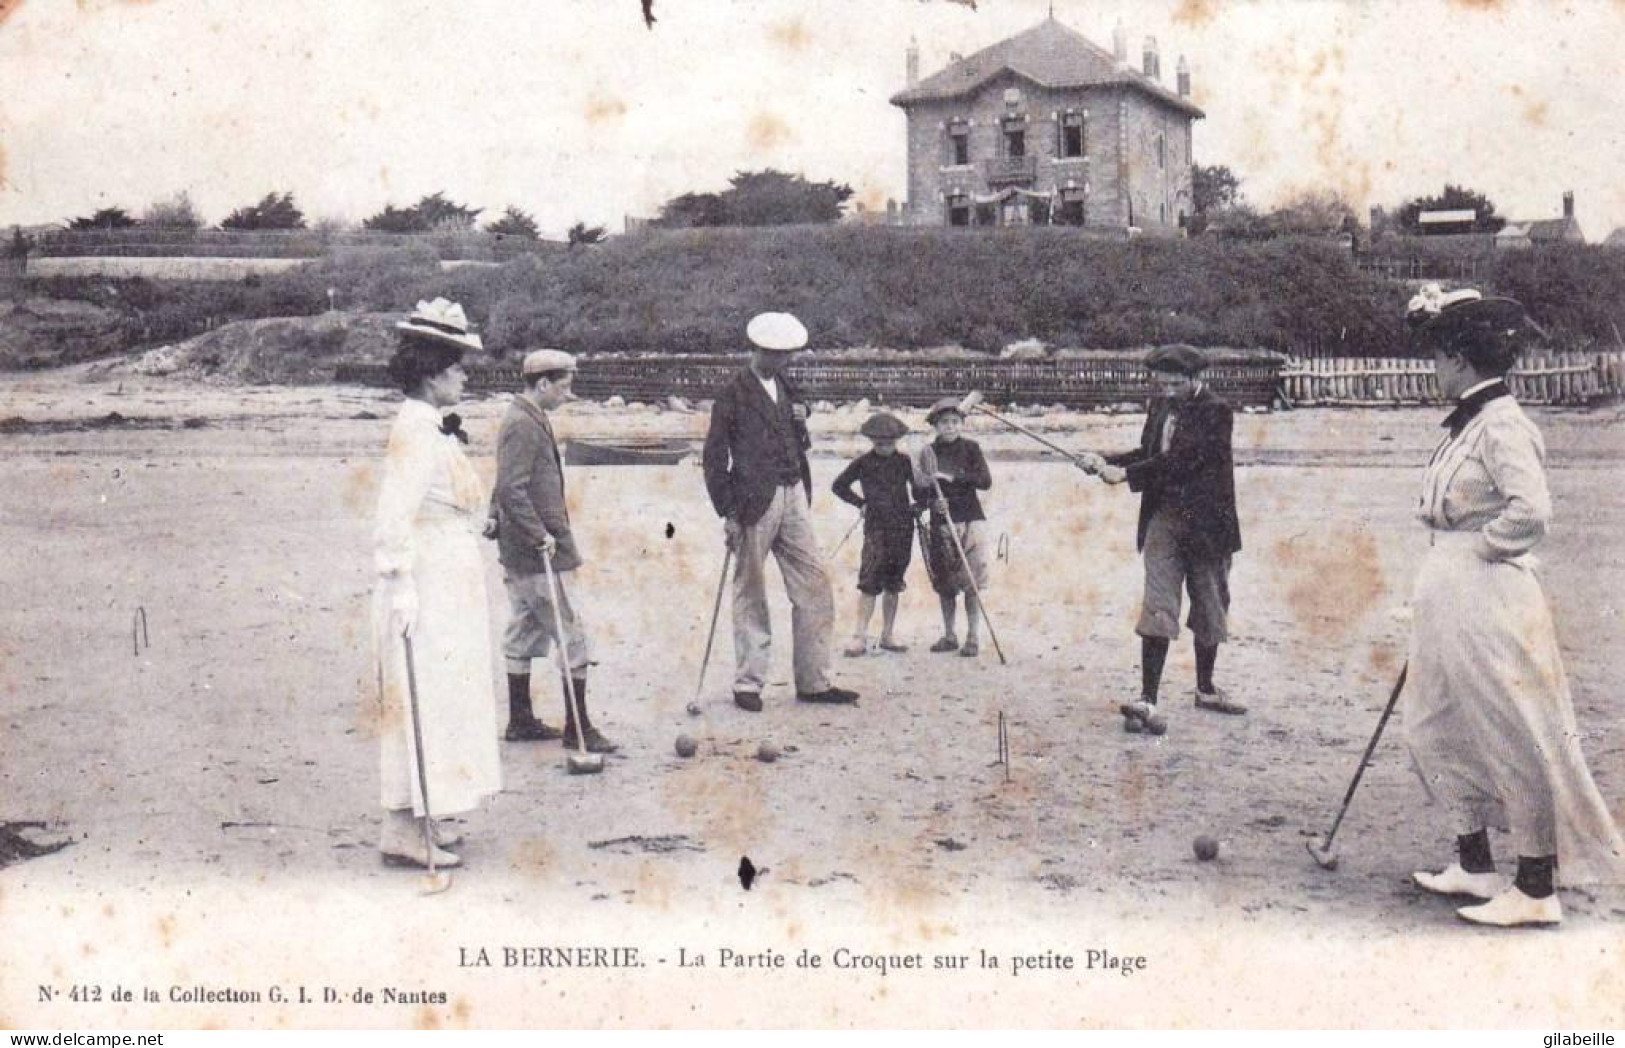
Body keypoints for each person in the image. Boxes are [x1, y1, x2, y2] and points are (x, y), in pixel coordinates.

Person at [1400, 284, 1625, 926]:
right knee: (1431, 723)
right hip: (1450, 586)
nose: (1434, 370)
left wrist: (1480, 554)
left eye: (1439, 359)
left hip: (1487, 591)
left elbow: (1533, 514)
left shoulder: (1503, 426)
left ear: (1463, 361)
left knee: (1511, 725)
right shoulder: (1471, 423)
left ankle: (1534, 887)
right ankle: (1474, 863)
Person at [372, 298, 501, 869]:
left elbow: (451, 496)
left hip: (450, 572)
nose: (465, 377)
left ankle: (423, 816)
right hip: (424, 575)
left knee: (447, 692)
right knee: (422, 691)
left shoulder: (432, 427)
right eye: (457, 368)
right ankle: (401, 828)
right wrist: (399, 580)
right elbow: (393, 513)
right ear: (430, 374)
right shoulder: (416, 430)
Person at [1082, 344, 1245, 733]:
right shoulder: (1159, 407)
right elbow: (1147, 452)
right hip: (1164, 519)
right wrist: (1106, 459)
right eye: (1162, 382)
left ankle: (1205, 689)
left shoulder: (1217, 412)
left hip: (1208, 525)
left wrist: (1127, 476)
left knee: (1209, 605)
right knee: (1158, 604)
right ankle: (1147, 699)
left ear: (1195, 379)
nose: (1168, 390)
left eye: (1175, 383)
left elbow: (1184, 462)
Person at [701, 311, 857, 711]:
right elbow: (715, 459)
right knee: (751, 592)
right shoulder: (731, 394)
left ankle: (814, 681)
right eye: (775, 354)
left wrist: (803, 421)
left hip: (793, 495)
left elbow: (796, 439)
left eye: (787, 354)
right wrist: (728, 513)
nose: (782, 361)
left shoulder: (788, 385)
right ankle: (748, 683)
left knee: (815, 583)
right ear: (756, 350)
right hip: (752, 502)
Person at [490, 348, 616, 753]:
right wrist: (538, 533)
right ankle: (577, 729)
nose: (567, 394)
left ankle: (521, 720)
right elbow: (512, 486)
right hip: (539, 551)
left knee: (525, 629)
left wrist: (495, 516)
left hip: (521, 550)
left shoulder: (526, 416)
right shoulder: (522, 423)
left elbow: (506, 481)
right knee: (572, 633)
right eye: (564, 386)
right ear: (542, 383)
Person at [832, 410, 918, 657]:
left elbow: (920, 491)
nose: (884, 447)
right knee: (870, 581)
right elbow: (838, 486)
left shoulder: (905, 462)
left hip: (903, 526)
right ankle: (859, 635)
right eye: (879, 443)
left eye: (889, 443)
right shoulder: (863, 462)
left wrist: (919, 506)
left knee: (894, 582)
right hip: (876, 528)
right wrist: (860, 503)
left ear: (897, 441)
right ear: (871, 441)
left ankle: (888, 634)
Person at [918, 397, 993, 658]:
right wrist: (931, 502)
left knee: (973, 579)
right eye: (943, 423)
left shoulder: (971, 449)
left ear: (961, 424)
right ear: (935, 426)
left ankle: (973, 636)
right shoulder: (928, 453)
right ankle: (950, 634)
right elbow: (918, 492)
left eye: (954, 422)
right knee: (946, 581)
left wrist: (952, 478)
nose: (949, 427)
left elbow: (985, 481)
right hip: (942, 524)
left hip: (971, 518)